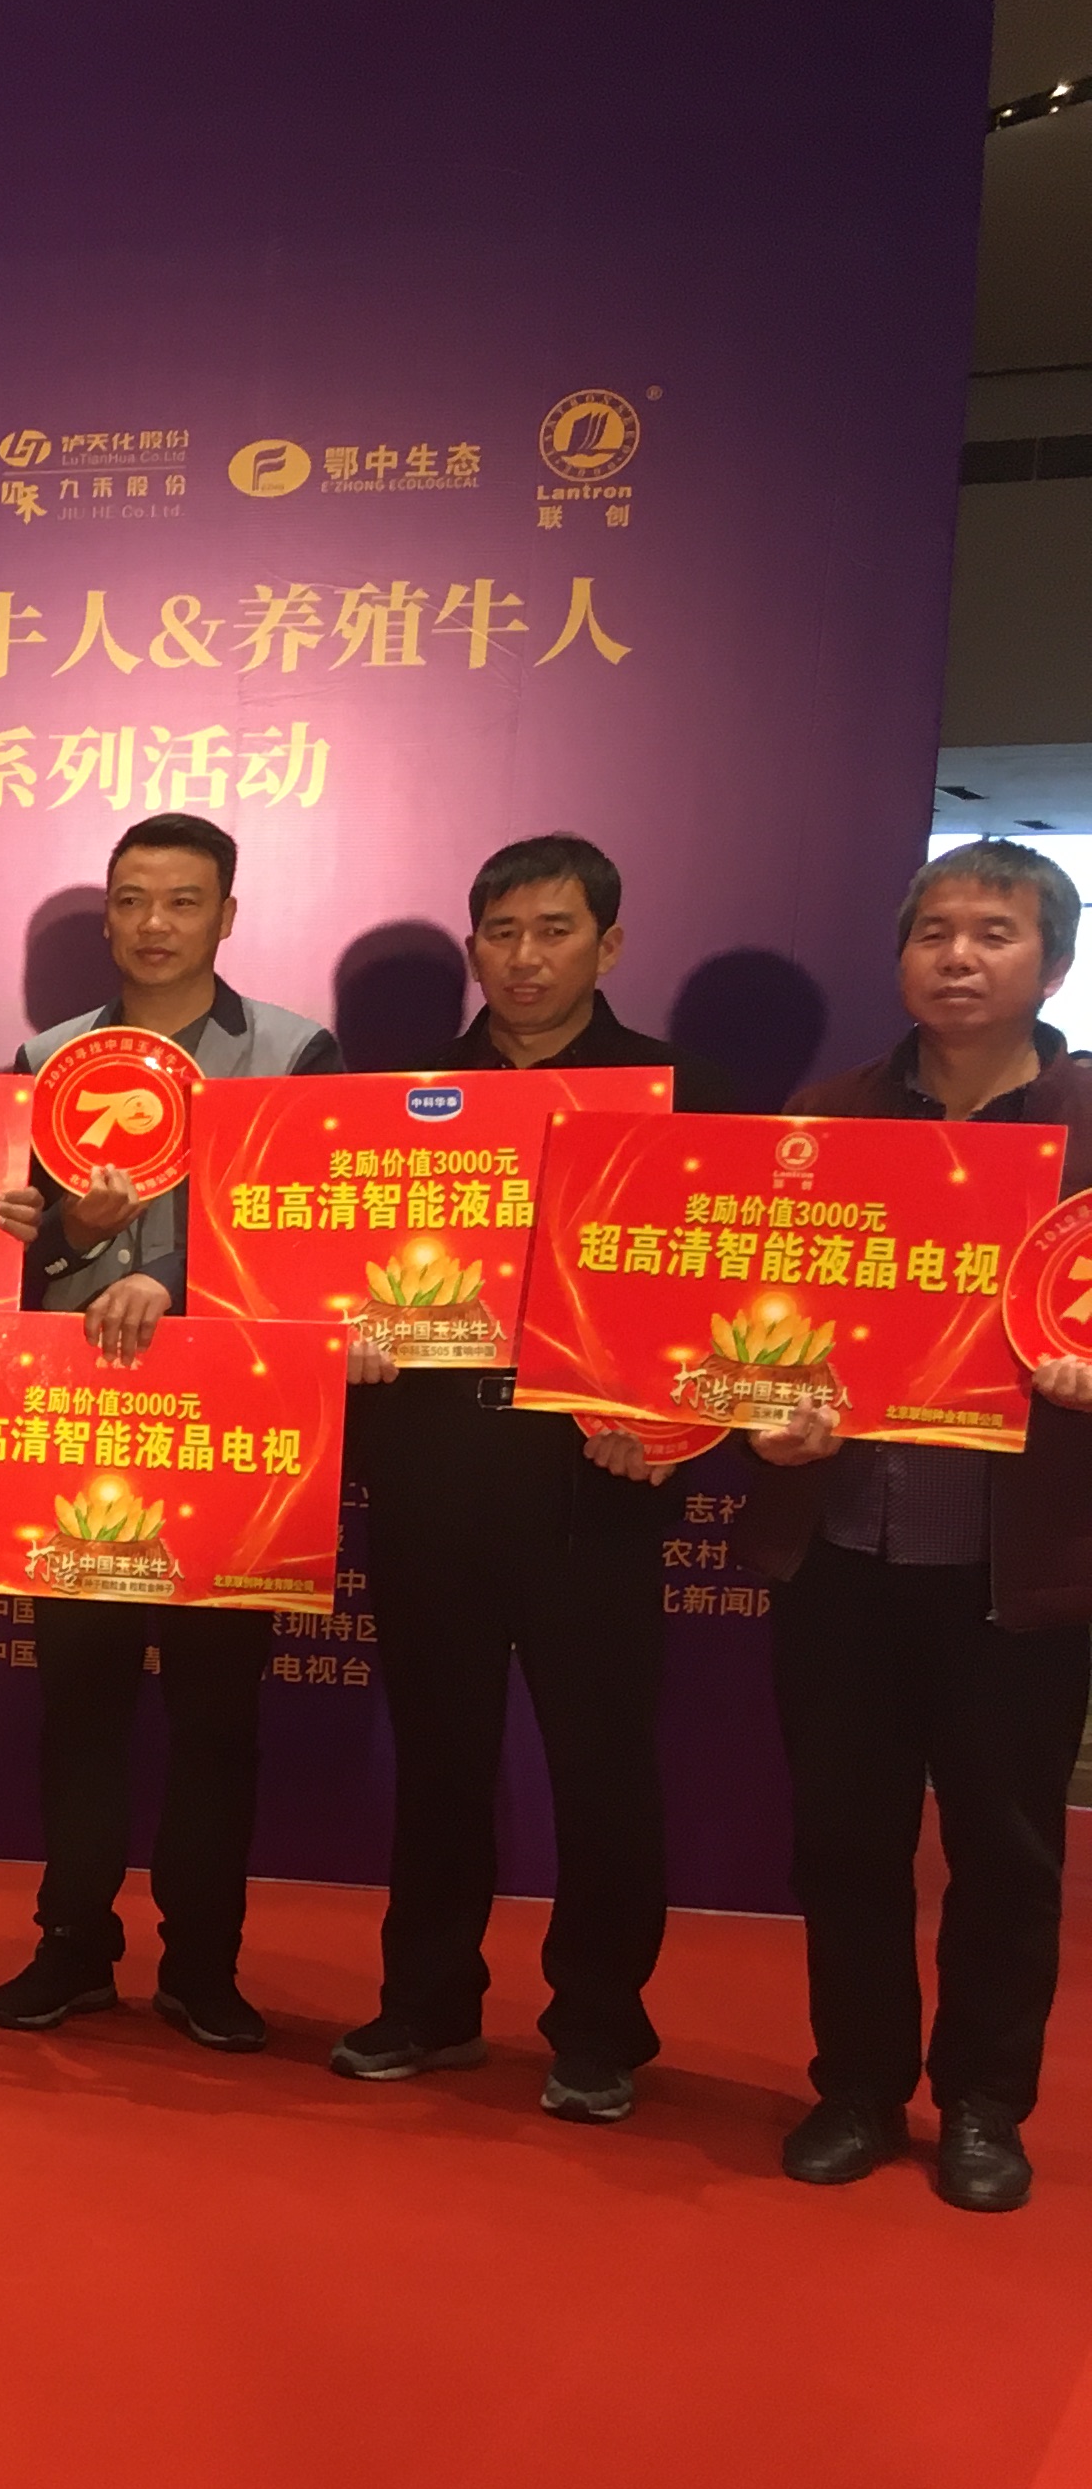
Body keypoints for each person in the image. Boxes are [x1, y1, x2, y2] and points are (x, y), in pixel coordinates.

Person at [332, 834, 728, 2119]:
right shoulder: (400, 1102)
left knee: (603, 1769)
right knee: (438, 1759)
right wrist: (347, 1340)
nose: (524, 958)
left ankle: (600, 2025)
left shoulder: (679, 1095)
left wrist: (665, 1418)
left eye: (554, 931)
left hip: (593, 1484)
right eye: (501, 934)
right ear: (473, 948)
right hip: (435, 1471)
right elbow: (325, 1270)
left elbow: (719, 1295)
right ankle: (427, 2001)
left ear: (608, 944)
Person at [741, 839, 1092, 2212]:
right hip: (843, 1544)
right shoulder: (829, 1114)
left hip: (1018, 1561)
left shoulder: (1087, 1121)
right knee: (844, 1838)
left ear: (1052, 964)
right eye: (935, 930)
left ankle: (985, 2106)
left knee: (1008, 1852)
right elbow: (761, 1304)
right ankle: (857, 2086)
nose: (958, 956)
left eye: (995, 932)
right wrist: (762, 1412)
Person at [0, 812, 342, 2052]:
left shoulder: (293, 1054)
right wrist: (74, 1236)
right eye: (132, 900)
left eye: (183, 902)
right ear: (107, 916)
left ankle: (203, 1962)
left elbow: (307, 1230)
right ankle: (73, 1943)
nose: (154, 925)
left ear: (226, 917)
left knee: (215, 1712)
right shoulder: (45, 1058)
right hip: (77, 1419)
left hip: (229, 1421)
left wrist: (175, 1290)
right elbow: (6, 1255)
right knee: (78, 1699)